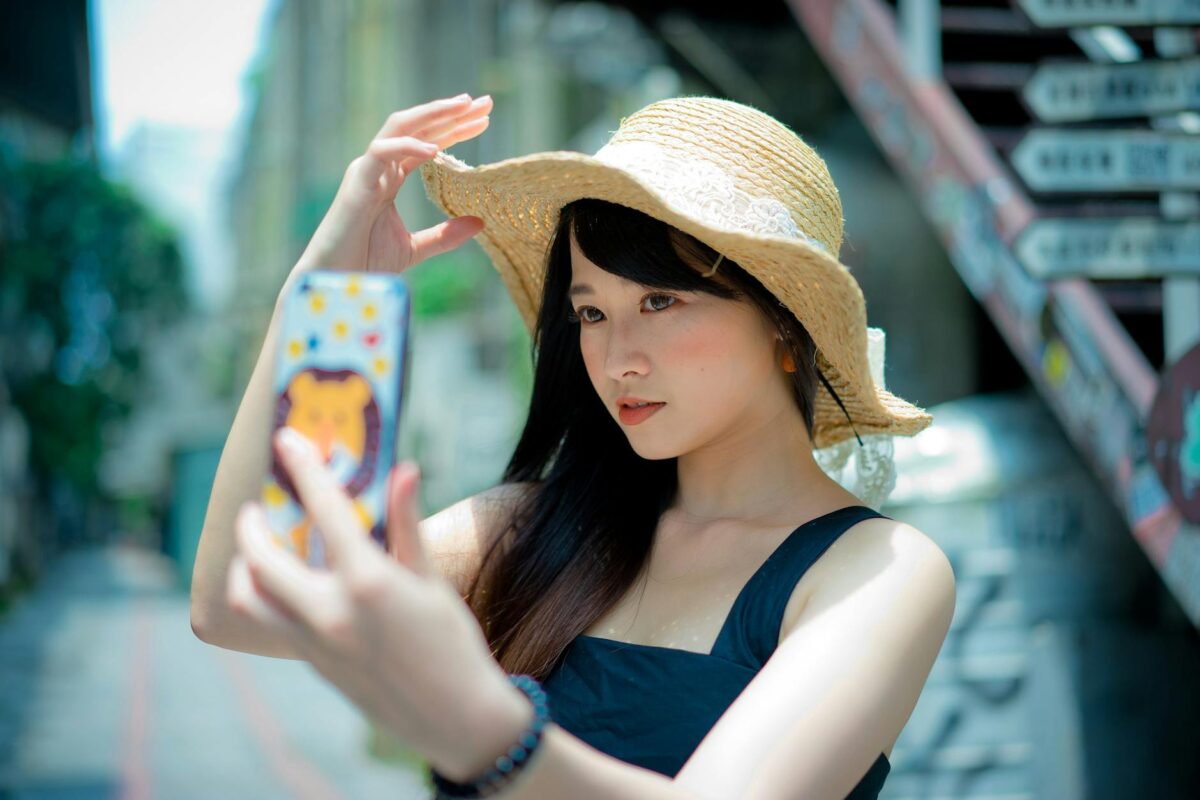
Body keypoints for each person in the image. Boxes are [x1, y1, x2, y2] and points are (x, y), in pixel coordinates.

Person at [191, 92, 957, 800]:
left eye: (661, 300)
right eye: (590, 313)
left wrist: (486, 729)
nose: (618, 354)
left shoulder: (877, 572)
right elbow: (239, 602)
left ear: (786, 327)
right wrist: (320, 308)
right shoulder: (529, 530)